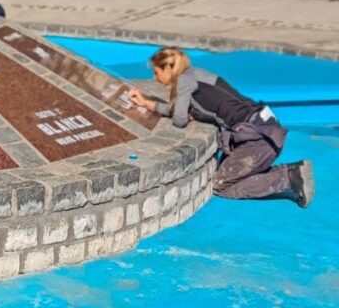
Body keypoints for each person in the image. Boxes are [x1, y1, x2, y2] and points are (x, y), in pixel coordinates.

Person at [129, 47, 314, 208]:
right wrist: (147, 103)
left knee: (221, 185)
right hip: (267, 128)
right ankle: (292, 173)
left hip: (258, 139)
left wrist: (188, 114)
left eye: (156, 72)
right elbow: (181, 109)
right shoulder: (197, 73)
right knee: (232, 175)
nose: (155, 78)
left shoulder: (184, 81)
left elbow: (179, 119)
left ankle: (288, 177)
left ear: (169, 68)